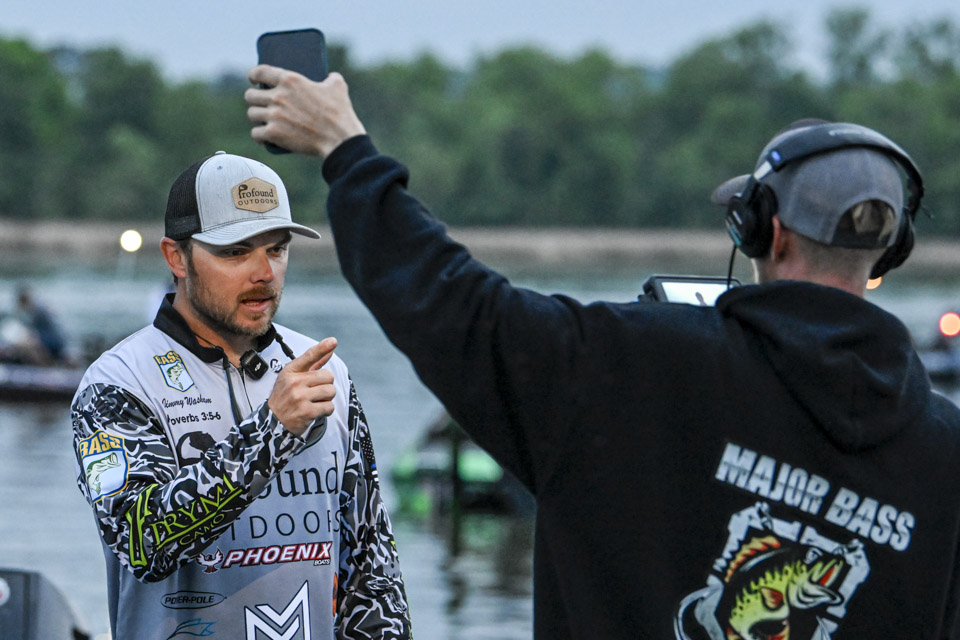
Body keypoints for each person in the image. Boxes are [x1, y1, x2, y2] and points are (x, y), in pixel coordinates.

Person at [243, 66, 960, 639]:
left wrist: (346, 150)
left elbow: (452, 303)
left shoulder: (634, 365)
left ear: (762, 229)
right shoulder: (947, 451)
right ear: (888, 252)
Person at [70, 151, 411, 640]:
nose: (264, 272)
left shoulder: (324, 369)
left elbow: (371, 565)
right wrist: (273, 430)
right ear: (176, 257)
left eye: (277, 249)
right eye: (235, 252)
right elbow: (142, 543)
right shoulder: (116, 384)